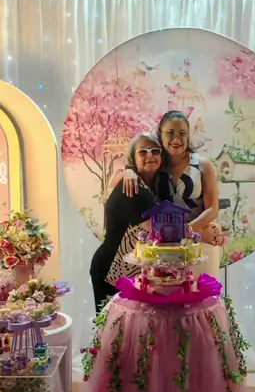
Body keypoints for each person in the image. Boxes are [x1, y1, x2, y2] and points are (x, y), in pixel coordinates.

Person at [124, 110, 223, 276]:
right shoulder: (156, 165)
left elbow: (212, 209)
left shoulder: (203, 165)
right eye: (170, 133)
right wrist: (129, 172)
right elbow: (126, 178)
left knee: (202, 292)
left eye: (182, 133)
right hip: (167, 250)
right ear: (161, 135)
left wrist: (188, 231)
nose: (177, 139)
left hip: (200, 245)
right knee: (168, 290)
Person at [89, 133, 162, 312]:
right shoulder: (135, 188)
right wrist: (201, 230)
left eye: (155, 151)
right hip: (111, 270)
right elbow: (160, 230)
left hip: (123, 270)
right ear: (133, 158)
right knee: (113, 326)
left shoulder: (145, 185)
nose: (150, 155)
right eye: (143, 152)